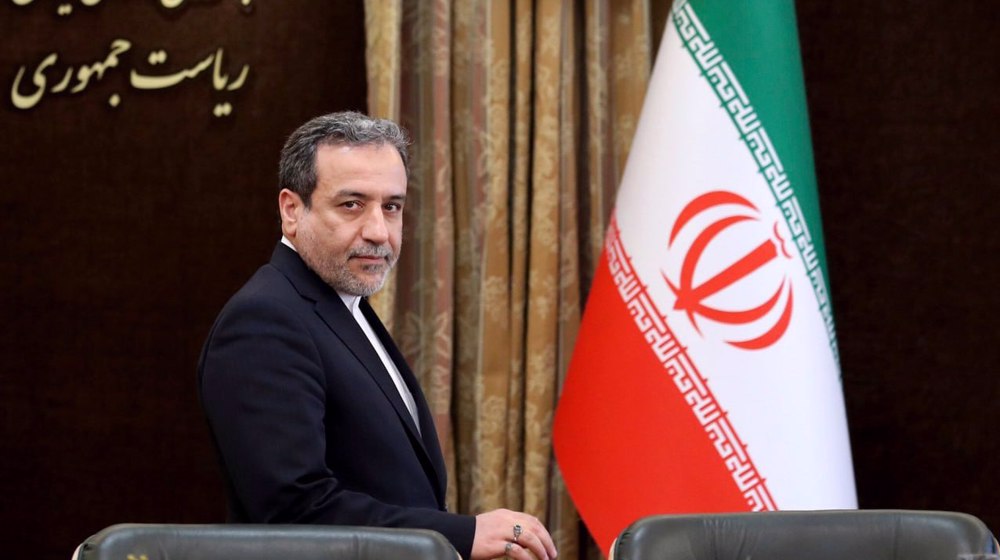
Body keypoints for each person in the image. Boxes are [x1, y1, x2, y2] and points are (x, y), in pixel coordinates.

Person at [198, 111, 557, 560]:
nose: (378, 232)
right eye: (351, 205)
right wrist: (461, 536)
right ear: (292, 210)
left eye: (392, 206)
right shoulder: (264, 320)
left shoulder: (342, 303)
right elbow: (295, 511)